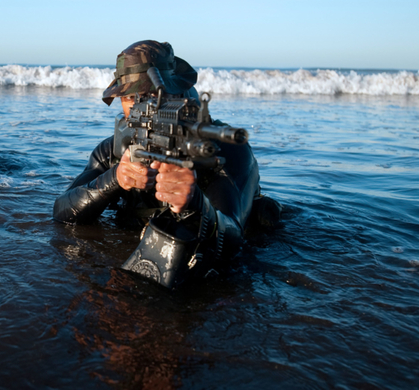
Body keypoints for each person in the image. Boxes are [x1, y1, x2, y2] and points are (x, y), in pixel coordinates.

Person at [53, 41, 280, 287]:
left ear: (177, 91)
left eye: (152, 96)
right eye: (130, 97)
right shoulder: (115, 148)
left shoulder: (224, 150)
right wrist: (115, 179)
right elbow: (63, 212)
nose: (140, 107)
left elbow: (233, 237)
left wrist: (196, 205)